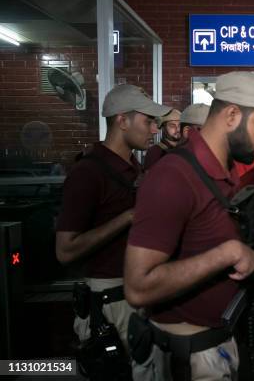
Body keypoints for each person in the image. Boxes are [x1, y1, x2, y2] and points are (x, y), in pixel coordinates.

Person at [124, 71, 254, 380]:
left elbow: (213, 232)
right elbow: (138, 288)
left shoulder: (224, 170)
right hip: (187, 359)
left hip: (216, 345)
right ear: (232, 115)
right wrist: (227, 254)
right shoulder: (173, 176)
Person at [55, 84, 169, 362]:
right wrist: (130, 216)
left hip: (137, 292)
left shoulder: (133, 167)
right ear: (122, 120)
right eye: (148, 121)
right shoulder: (88, 173)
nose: (155, 130)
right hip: (110, 301)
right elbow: (65, 251)